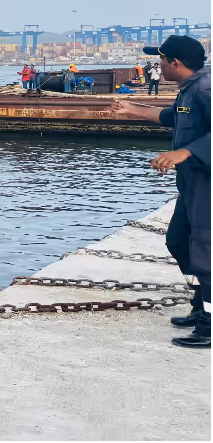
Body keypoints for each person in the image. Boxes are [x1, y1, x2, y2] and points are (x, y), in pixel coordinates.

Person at [111, 35, 210, 348]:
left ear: (175, 63)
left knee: (206, 252)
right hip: (191, 186)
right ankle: (200, 305)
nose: (159, 65)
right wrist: (131, 109)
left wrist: (185, 153)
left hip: (207, 186)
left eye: (162, 60)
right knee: (178, 241)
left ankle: (209, 324)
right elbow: (169, 117)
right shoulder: (189, 91)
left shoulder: (206, 90)